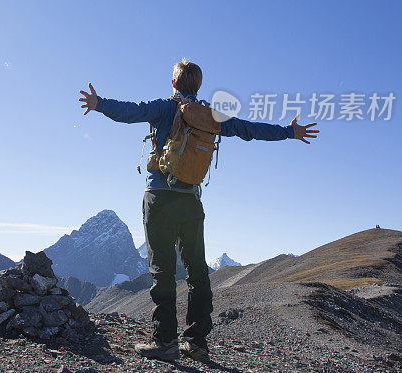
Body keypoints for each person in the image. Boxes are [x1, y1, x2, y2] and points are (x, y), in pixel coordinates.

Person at [78, 60, 318, 363]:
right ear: (197, 87)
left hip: (159, 197)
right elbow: (248, 129)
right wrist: (288, 132)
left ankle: (164, 341)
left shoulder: (166, 107)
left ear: (175, 83)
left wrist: (99, 103)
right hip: (191, 200)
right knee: (197, 271)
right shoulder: (211, 116)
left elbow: (132, 111)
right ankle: (197, 342)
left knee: (162, 270)